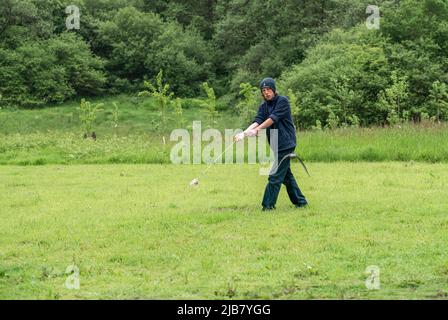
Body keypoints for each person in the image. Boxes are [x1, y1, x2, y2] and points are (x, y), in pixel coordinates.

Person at [234, 77, 308, 211]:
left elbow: (272, 119)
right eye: (264, 90)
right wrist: (243, 133)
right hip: (275, 144)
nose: (266, 92)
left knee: (274, 175)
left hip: (286, 143)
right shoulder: (263, 106)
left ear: (274, 90)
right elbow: (258, 120)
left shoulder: (282, 101)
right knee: (286, 176)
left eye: (268, 89)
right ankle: (301, 202)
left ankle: (268, 206)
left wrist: (257, 130)